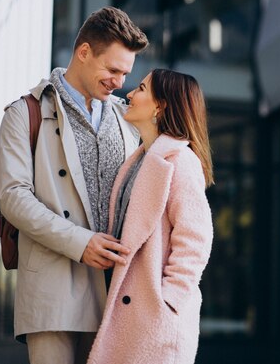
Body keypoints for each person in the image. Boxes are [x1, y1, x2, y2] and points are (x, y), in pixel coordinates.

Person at [0, 6, 148, 364]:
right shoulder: (25, 112)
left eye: (126, 73)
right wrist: (82, 243)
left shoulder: (128, 119)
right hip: (53, 289)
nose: (119, 82)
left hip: (116, 291)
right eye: (112, 69)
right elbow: (13, 197)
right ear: (83, 52)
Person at [87, 69, 214, 364]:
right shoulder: (139, 159)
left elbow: (195, 238)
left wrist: (168, 300)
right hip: (132, 313)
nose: (130, 93)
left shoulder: (180, 160)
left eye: (141, 88)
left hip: (156, 319)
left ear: (160, 105)